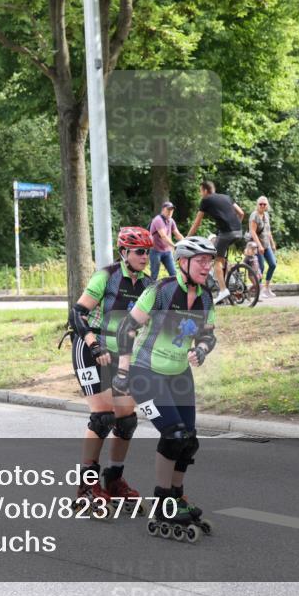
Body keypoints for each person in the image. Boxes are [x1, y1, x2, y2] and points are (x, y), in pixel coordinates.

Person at [113, 236, 218, 539]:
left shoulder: (206, 297)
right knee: (173, 434)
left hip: (179, 374)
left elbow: (208, 336)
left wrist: (201, 350)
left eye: (209, 261)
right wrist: (122, 371)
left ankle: (177, 496)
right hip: (146, 373)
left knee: (189, 439)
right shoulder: (160, 291)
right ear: (183, 262)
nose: (206, 266)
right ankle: (162, 500)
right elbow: (127, 328)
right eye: (201, 260)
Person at [66, 227, 154, 509]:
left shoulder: (147, 285)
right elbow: (77, 313)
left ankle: (114, 479)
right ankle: (86, 484)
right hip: (89, 347)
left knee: (127, 419)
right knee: (103, 416)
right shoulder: (107, 276)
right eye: (140, 251)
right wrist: (94, 345)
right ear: (124, 253)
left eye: (148, 251)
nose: (145, 256)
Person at [186, 181, 245, 304]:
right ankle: (230, 279)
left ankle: (223, 290)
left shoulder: (206, 200)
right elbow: (241, 213)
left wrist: (187, 238)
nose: (200, 193)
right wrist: (236, 225)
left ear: (205, 191)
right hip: (239, 231)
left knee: (216, 262)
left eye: (200, 191)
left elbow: (197, 222)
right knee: (222, 258)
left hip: (226, 233)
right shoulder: (226, 197)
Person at [250, 196, 278, 298]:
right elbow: (252, 232)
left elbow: (268, 231)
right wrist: (259, 246)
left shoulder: (266, 215)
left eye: (264, 204)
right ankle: (259, 291)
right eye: (260, 204)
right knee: (260, 268)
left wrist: (272, 243)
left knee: (273, 264)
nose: (262, 206)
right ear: (257, 204)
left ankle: (266, 288)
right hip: (257, 246)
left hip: (267, 245)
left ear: (267, 206)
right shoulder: (254, 215)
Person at [148, 201, 184, 280]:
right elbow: (163, 236)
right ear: (163, 210)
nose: (170, 212)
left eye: (172, 210)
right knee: (154, 275)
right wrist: (174, 246)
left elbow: (177, 234)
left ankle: (174, 291)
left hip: (167, 251)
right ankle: (150, 291)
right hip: (155, 251)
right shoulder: (158, 220)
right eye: (168, 210)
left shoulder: (171, 221)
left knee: (174, 273)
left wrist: (186, 243)